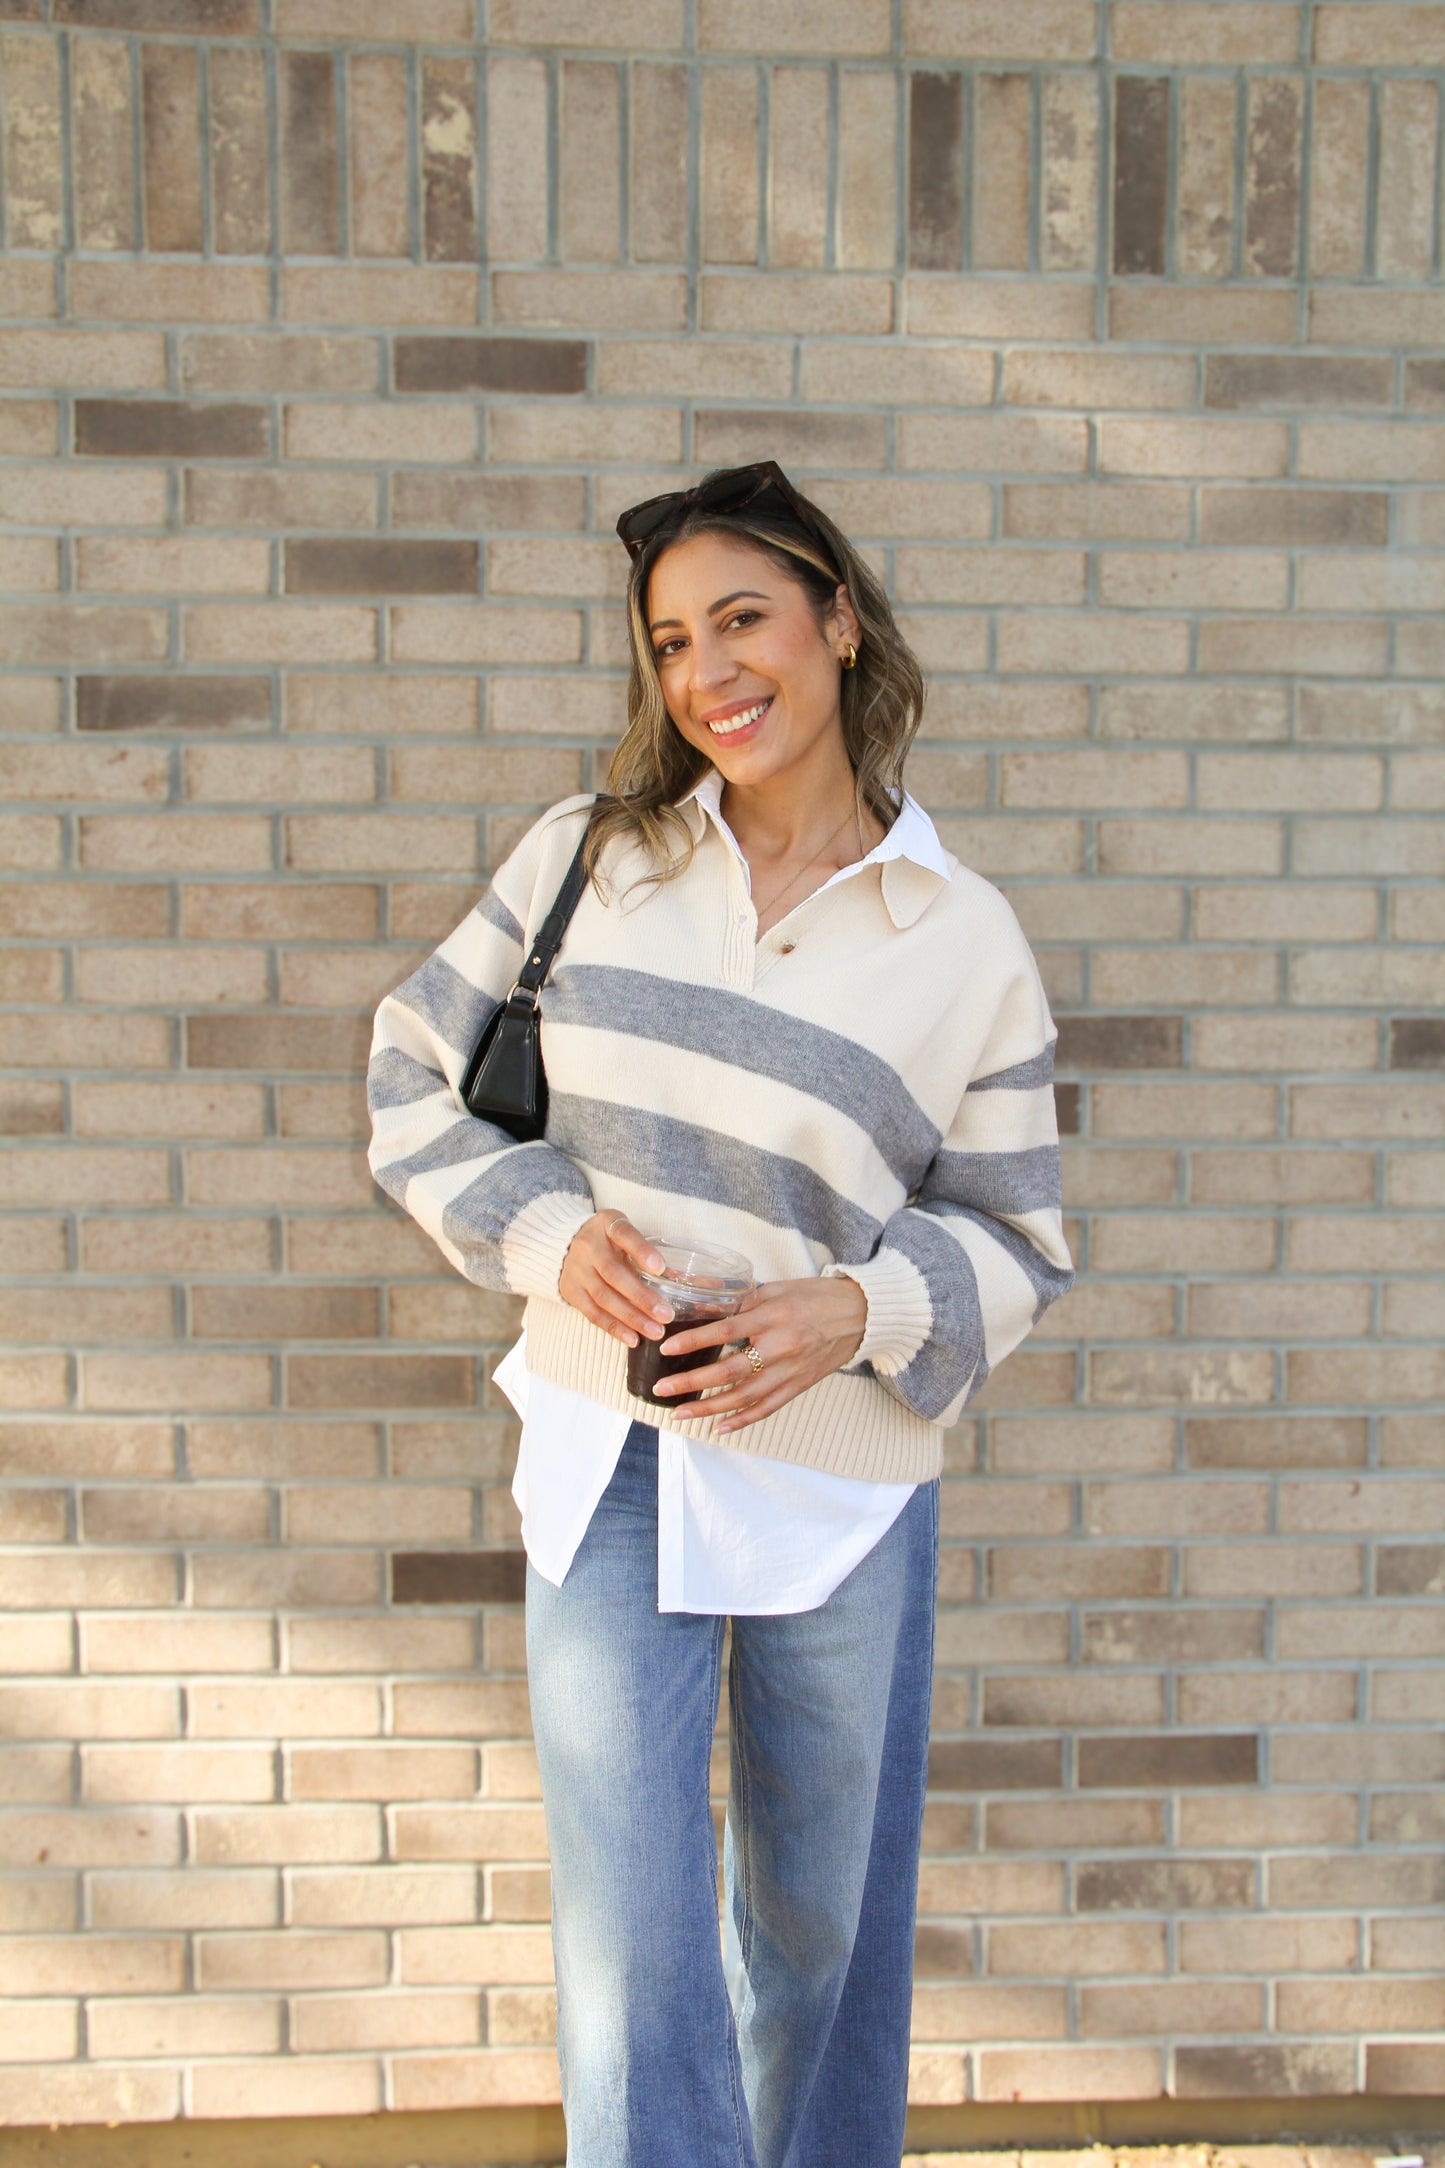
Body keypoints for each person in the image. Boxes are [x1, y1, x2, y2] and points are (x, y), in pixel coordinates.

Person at [366, 460, 1075, 2168]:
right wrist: (545, 1233)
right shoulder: (581, 860)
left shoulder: (962, 938)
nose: (707, 674)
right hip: (608, 1456)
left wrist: (852, 1309)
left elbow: (1017, 1238)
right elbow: (409, 1084)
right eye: (672, 641)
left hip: (842, 1488)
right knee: (634, 1946)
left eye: (741, 619)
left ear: (837, 622)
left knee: (821, 1925)